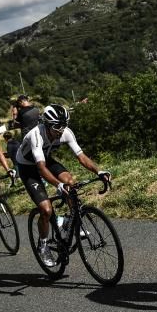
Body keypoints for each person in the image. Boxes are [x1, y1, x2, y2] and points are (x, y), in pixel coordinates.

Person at [14, 104, 110, 268]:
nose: (62, 129)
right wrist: (58, 185)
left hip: (46, 159)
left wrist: (99, 171)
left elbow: (81, 156)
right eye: (58, 126)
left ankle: (70, 220)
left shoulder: (65, 132)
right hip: (28, 167)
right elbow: (41, 168)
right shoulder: (36, 135)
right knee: (46, 209)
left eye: (64, 125)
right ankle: (43, 245)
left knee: (70, 183)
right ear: (47, 124)